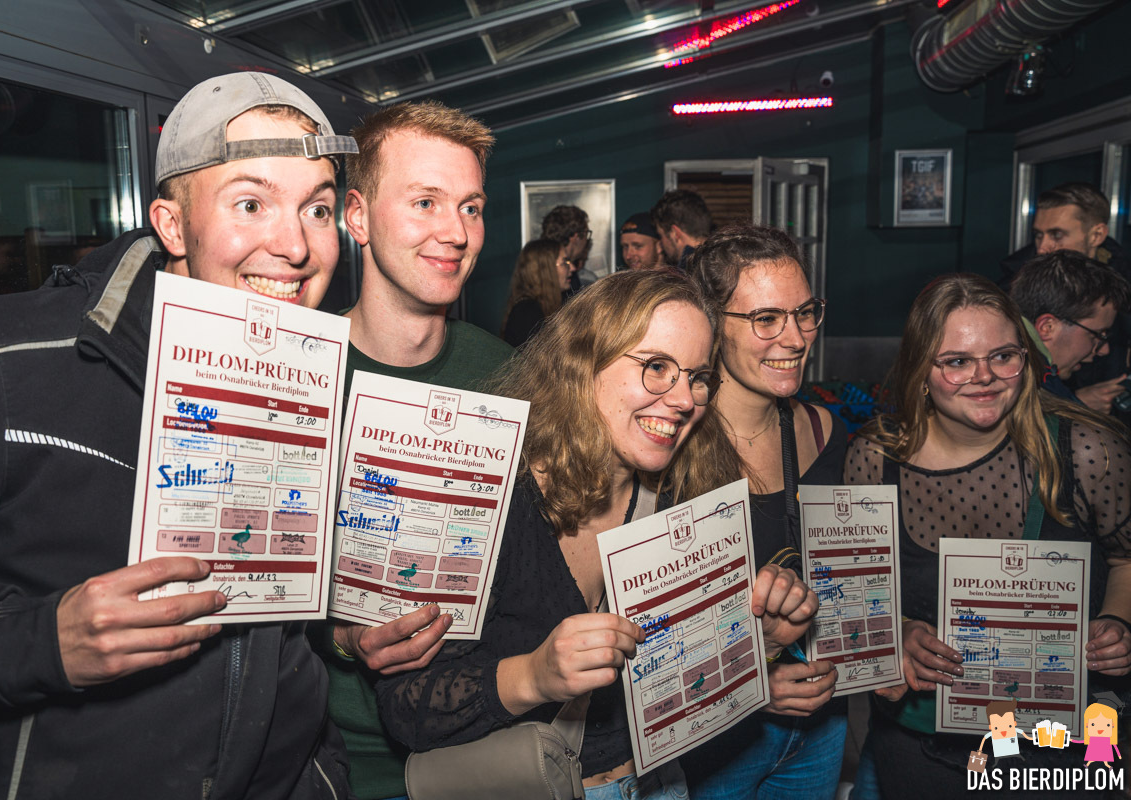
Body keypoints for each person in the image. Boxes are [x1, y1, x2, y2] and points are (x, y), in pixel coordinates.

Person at [0, 72, 358, 799]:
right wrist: (43, 641)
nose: (295, 246)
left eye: (316, 210)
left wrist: (320, 776)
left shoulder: (311, 388)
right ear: (172, 225)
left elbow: (285, 644)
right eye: (250, 203)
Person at [374, 269, 821, 799]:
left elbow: (679, 680)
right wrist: (533, 676)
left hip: (659, 783)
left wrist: (759, 642)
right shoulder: (485, 502)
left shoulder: (682, 497)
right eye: (657, 367)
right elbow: (404, 707)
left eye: (698, 377)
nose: (684, 399)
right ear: (583, 364)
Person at [844, 273, 1131, 799]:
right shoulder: (876, 459)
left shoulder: (1087, 451)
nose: (985, 377)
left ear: (1027, 358)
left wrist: (1118, 621)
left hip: (1060, 749)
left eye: (1003, 356)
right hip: (924, 743)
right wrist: (897, 632)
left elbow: (1126, 558)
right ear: (921, 369)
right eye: (957, 361)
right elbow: (855, 592)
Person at [310, 100, 515, 800]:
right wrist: (343, 638)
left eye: (471, 207)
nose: (455, 232)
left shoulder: (507, 374)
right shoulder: (294, 372)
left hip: (483, 751)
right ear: (358, 217)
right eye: (425, 202)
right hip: (335, 760)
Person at [683, 223, 847, 799]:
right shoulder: (671, 446)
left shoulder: (822, 431)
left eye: (805, 313)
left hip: (822, 726)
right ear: (711, 323)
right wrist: (750, 682)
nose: (796, 338)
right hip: (715, 740)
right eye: (766, 319)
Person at [1009, 250, 1130, 412]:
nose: (1104, 350)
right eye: (1096, 335)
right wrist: (1074, 409)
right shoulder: (1016, 385)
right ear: (1047, 328)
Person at [500, 238, 570, 347]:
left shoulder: (549, 305)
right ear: (546, 269)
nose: (572, 268)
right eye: (565, 262)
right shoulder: (527, 313)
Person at [651, 190, 714, 271]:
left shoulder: (687, 271)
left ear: (675, 233)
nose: (660, 245)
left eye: (661, 236)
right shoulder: (721, 259)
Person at [542, 204, 597, 288]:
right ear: (576, 237)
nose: (586, 240)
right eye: (586, 234)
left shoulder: (541, 265)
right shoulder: (559, 274)